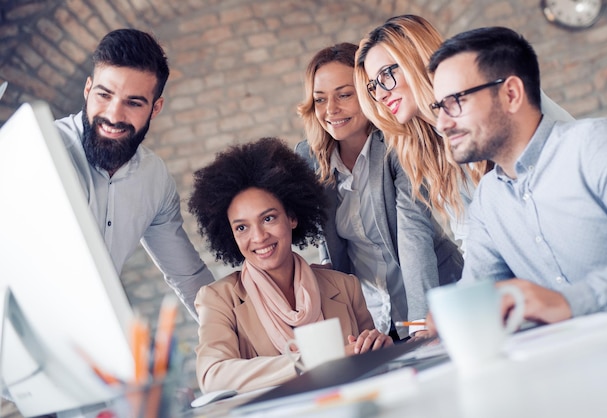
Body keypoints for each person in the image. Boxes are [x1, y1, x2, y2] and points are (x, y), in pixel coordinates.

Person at [427, 26, 607, 324]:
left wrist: (568, 302)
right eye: (439, 106)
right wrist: (448, 316)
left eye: (456, 102)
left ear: (511, 94)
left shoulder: (593, 145)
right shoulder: (488, 199)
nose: (442, 123)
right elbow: (479, 292)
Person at [189, 137, 392, 393]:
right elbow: (212, 376)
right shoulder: (219, 300)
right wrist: (313, 362)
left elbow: (373, 369)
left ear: (292, 217)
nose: (259, 237)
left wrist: (377, 348)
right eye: (242, 227)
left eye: (269, 218)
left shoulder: (345, 286)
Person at [354, 15, 573, 250]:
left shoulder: (495, 94)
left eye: (386, 74)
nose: (380, 95)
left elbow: (571, 162)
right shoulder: (425, 150)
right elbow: (472, 238)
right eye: (373, 86)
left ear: (415, 59)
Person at [294, 43, 463, 341]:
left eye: (344, 95)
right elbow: (330, 248)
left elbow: (414, 237)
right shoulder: (310, 159)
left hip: (439, 302)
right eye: (320, 99)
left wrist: (421, 325)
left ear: (369, 93)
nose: (330, 110)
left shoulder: (397, 144)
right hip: (376, 324)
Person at [54, 29, 214, 320]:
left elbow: (189, 277)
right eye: (104, 95)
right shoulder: (44, 150)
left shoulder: (154, 180)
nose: (114, 115)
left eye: (134, 103)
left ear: (155, 109)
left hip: (94, 336)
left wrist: (238, 335)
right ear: (88, 90)